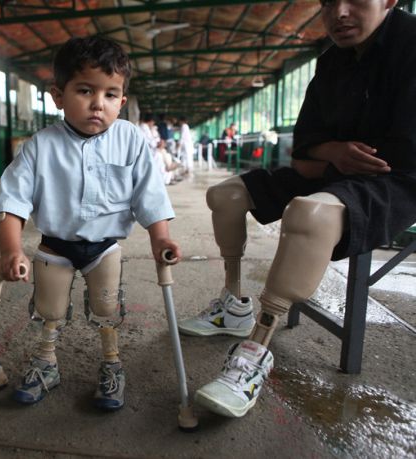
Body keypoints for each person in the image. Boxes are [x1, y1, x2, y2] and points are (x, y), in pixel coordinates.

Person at [178, 0, 416, 419]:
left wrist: (326, 156)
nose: (339, 12)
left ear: (389, 0)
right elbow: (304, 148)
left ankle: (255, 353)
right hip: (332, 170)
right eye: (328, 2)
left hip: (395, 181)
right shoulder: (330, 61)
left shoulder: (410, 46)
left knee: (309, 213)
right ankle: (233, 304)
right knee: (225, 195)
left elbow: (398, 156)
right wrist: (334, 151)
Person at [0, 36, 181, 411]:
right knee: (49, 310)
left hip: (104, 247)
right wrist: (11, 249)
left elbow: (150, 194)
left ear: (122, 102)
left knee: (107, 308)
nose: (98, 103)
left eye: (111, 94)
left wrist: (161, 238)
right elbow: (12, 201)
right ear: (58, 96)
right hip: (55, 245)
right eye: (85, 90)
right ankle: (46, 362)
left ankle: (112, 364)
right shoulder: (40, 146)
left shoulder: (130, 140)